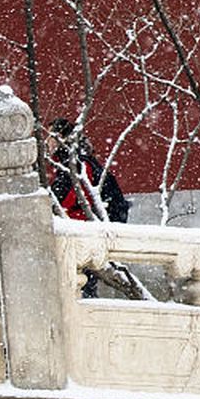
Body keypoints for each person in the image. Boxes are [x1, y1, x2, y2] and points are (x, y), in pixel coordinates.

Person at [46, 118, 131, 298]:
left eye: (51, 136)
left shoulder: (77, 164)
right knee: (84, 288)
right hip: (95, 232)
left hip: (88, 236)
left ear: (61, 137)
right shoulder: (79, 161)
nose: (47, 142)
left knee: (81, 290)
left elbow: (66, 200)